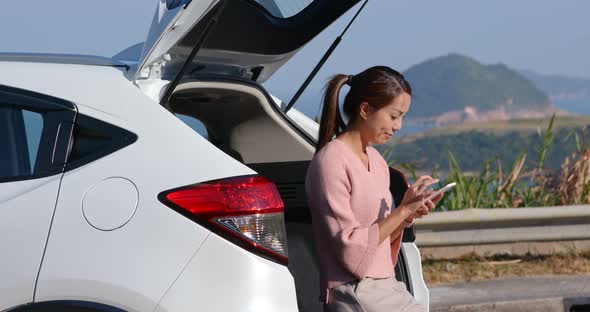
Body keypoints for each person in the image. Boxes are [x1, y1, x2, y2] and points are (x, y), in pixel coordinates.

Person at [305, 66, 441, 312]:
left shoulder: (376, 160)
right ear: (365, 110)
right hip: (355, 291)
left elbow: (378, 238)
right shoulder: (331, 161)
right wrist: (400, 212)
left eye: (402, 117)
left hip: (385, 285)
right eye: (393, 116)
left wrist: (407, 214)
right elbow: (351, 253)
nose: (398, 125)